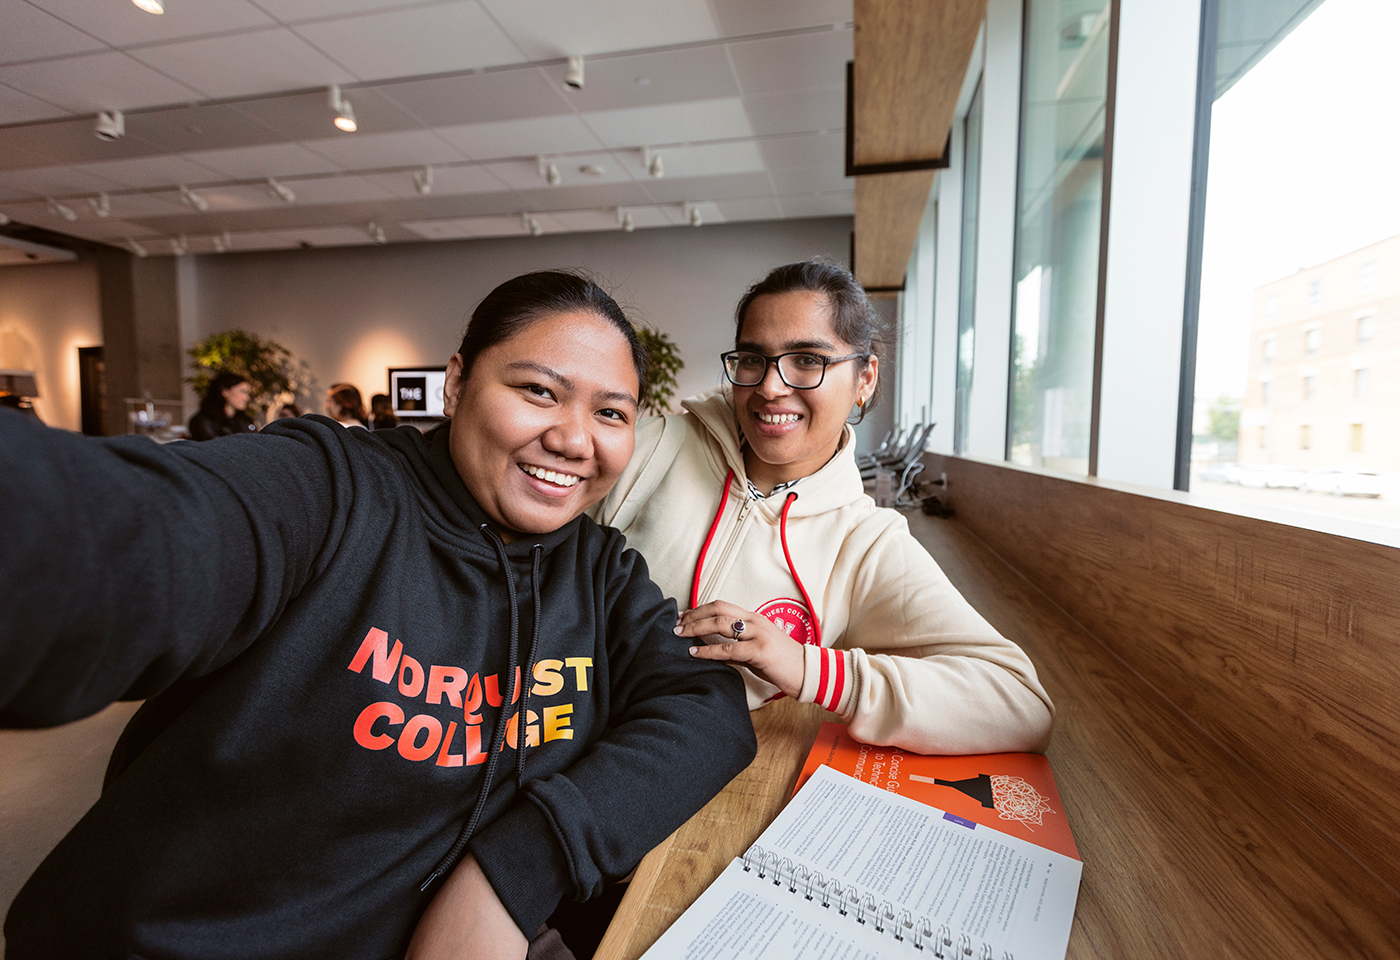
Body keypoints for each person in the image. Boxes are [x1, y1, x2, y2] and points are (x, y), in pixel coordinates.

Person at [0, 271, 757, 960]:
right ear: (457, 382)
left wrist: (515, 872)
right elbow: (133, 535)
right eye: (537, 390)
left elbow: (706, 708)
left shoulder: (596, 568)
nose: (572, 438)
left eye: (611, 412)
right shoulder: (330, 491)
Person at [595, 259, 1054, 755]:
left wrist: (809, 668)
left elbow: (1019, 701)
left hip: (675, 762)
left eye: (808, 360)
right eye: (753, 358)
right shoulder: (652, 446)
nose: (771, 386)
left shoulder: (865, 542)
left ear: (865, 378)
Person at [187, 371, 256, 440]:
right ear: (225, 392)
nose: (247, 398)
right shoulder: (203, 421)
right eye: (242, 391)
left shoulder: (245, 421)